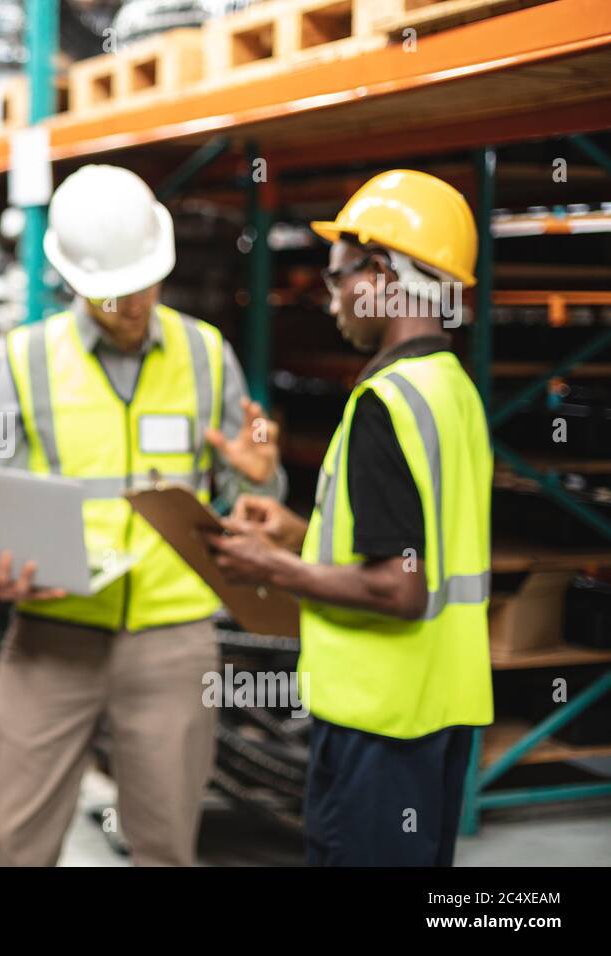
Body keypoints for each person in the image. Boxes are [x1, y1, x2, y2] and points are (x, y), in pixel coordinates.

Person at [0, 164, 285, 866]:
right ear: (74, 281)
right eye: (114, 293)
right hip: (54, 633)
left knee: (167, 848)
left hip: (173, 640)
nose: (134, 302)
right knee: (7, 846)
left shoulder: (208, 356)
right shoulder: (24, 362)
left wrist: (254, 474)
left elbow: (250, 503)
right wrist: (1, 570)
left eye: (144, 283)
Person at [207, 169, 493, 866]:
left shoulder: (384, 405)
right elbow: (416, 546)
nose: (333, 298)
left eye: (337, 278)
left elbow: (399, 588)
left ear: (382, 273)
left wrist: (266, 565)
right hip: (439, 713)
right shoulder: (452, 391)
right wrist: (298, 534)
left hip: (378, 722)